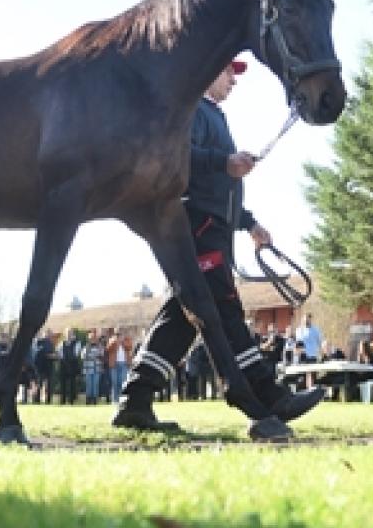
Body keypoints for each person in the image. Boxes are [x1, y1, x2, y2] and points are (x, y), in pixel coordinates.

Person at [114, 61, 323, 438]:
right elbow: (181, 157)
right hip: (199, 226)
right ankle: (267, 394)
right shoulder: (195, 110)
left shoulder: (214, 116)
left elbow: (219, 186)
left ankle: (135, 401)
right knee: (224, 306)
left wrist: (249, 223)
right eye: (228, 73)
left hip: (213, 227)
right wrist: (224, 161)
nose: (234, 81)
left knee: (181, 319)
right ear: (208, 73)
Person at [106, 329, 132, 404]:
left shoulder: (126, 339)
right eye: (117, 334)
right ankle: (115, 399)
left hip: (124, 364)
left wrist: (122, 342)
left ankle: (121, 399)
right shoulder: (112, 340)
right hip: (114, 364)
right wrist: (114, 342)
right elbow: (108, 349)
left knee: (122, 382)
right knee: (114, 382)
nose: (119, 336)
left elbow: (130, 347)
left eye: (120, 334)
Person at [31, 329, 57, 404]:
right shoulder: (38, 342)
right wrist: (51, 356)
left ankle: (47, 400)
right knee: (39, 384)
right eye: (49, 334)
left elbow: (52, 354)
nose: (50, 335)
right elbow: (43, 354)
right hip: (39, 367)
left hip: (48, 367)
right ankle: (37, 400)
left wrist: (54, 356)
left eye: (51, 334)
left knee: (48, 385)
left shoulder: (50, 343)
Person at [58, 329, 83, 404]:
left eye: (70, 333)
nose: (69, 335)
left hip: (72, 364)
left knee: (72, 383)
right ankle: (62, 400)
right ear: (65, 334)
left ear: (73, 334)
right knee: (63, 383)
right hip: (63, 364)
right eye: (68, 333)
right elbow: (59, 353)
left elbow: (76, 353)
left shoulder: (77, 343)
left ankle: (71, 400)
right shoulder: (61, 343)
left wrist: (73, 342)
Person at [82, 330, 104, 405]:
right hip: (88, 369)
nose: (93, 340)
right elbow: (83, 356)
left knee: (95, 385)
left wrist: (95, 355)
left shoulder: (100, 347)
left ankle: (94, 400)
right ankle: (88, 399)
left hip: (97, 369)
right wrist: (91, 354)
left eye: (94, 338)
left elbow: (101, 355)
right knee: (89, 385)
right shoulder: (86, 347)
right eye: (91, 338)